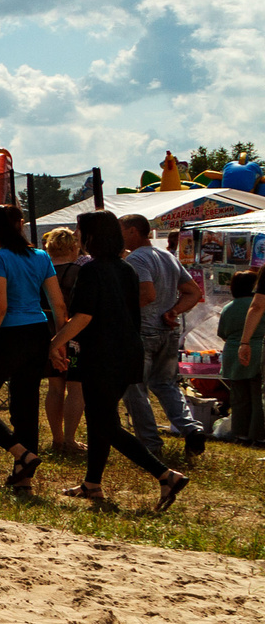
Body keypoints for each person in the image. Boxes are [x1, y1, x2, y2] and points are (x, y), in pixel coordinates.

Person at [50, 209, 189, 508]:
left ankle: (166, 475)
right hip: (127, 353)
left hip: (101, 355)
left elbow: (83, 316)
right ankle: (92, 484)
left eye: (79, 230)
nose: (76, 236)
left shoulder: (92, 270)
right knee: (103, 418)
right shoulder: (126, 269)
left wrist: (55, 343)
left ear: (91, 235)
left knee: (105, 425)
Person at [0, 203, 66, 492]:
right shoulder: (42, 256)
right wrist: (59, 344)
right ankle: (24, 478)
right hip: (37, 333)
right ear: (21, 223)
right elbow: (58, 305)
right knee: (25, 404)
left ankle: (21, 454)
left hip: (8, 336)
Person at [119, 214, 206, 461]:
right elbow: (193, 292)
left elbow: (146, 293)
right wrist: (174, 310)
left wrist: (120, 310)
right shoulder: (168, 256)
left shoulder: (136, 258)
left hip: (144, 330)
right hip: (168, 330)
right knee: (165, 384)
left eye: (121, 231)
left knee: (135, 388)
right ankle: (191, 428)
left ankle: (150, 443)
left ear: (133, 231)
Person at [43, 226, 85, 455]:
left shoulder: (43, 271)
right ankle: (70, 439)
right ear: (72, 247)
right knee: (76, 387)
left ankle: (57, 439)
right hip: (72, 330)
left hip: (46, 329)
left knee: (54, 386)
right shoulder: (79, 271)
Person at [215, 270, 258, 445]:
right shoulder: (259, 305)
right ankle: (259, 435)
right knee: (258, 398)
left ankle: (240, 434)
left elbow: (223, 333)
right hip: (257, 353)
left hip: (233, 355)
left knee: (239, 399)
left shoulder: (228, 307)